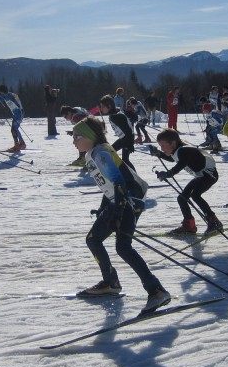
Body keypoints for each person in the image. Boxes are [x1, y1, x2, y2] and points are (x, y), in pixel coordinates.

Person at [72, 116, 171, 314]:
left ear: (90, 136)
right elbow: (107, 185)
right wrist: (104, 208)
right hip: (117, 200)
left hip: (128, 201)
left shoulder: (101, 153)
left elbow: (120, 183)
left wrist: (117, 212)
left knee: (123, 247)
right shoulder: (93, 153)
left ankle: (157, 290)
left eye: (77, 136)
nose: (74, 141)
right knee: (94, 239)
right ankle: (111, 282)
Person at [149, 129, 223, 236]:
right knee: (182, 198)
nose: (162, 148)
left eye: (163, 146)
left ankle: (214, 222)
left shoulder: (184, 151)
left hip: (208, 175)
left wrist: (168, 173)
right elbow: (173, 159)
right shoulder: (179, 150)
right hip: (201, 176)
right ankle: (189, 225)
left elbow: (180, 164)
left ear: (173, 143)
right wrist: (159, 153)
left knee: (195, 196)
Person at [98, 94, 136, 169]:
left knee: (125, 160)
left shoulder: (115, 117)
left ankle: (134, 177)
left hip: (127, 139)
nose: (101, 108)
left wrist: (130, 144)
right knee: (110, 152)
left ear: (109, 106)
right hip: (124, 138)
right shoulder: (116, 112)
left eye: (102, 106)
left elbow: (127, 130)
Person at [0, 85, 25, 152]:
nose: (1, 93)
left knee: (14, 129)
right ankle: (18, 144)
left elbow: (6, 98)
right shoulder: (7, 95)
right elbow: (0, 99)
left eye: (1, 92)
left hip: (19, 113)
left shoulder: (10, 95)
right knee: (13, 130)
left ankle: (21, 143)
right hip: (15, 114)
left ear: (3, 91)